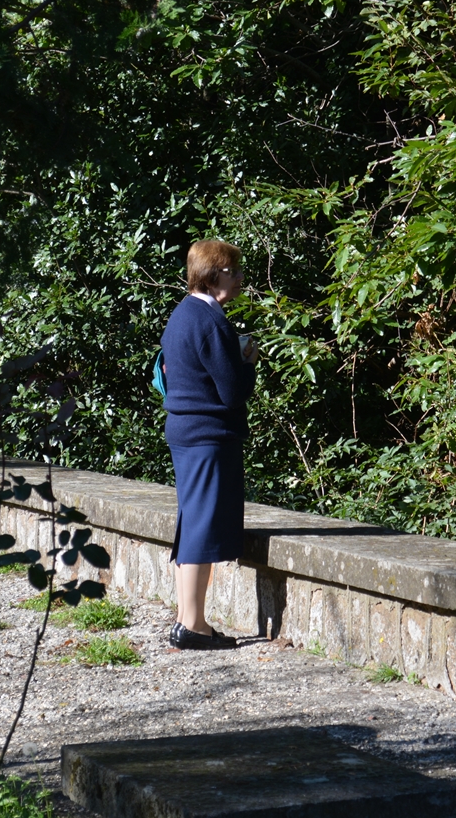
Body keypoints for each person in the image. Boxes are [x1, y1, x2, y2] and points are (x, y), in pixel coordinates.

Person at [160, 239, 259, 650]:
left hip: (184, 429)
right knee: (200, 527)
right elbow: (232, 393)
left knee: (192, 523)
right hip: (207, 435)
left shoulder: (182, 313)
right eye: (233, 271)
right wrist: (248, 363)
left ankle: (186, 620)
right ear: (213, 274)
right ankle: (193, 626)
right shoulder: (212, 322)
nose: (239, 279)